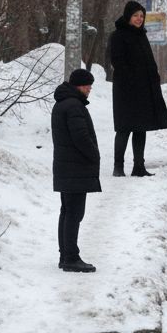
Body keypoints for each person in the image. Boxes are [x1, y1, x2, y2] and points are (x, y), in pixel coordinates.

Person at [108, 0, 167, 177]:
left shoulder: (141, 35)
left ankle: (139, 167)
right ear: (128, 16)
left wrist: (153, 78)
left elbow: (148, 62)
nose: (139, 19)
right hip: (126, 90)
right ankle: (118, 167)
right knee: (124, 128)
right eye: (136, 15)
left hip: (143, 89)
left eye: (142, 16)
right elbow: (118, 62)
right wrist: (132, 79)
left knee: (140, 127)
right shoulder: (118, 36)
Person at [51, 68, 101, 273]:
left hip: (67, 166)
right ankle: (71, 257)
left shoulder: (63, 103)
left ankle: (65, 254)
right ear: (78, 85)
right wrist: (94, 154)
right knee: (74, 213)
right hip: (75, 167)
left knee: (67, 212)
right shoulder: (74, 106)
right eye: (87, 85)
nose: (90, 89)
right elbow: (80, 137)